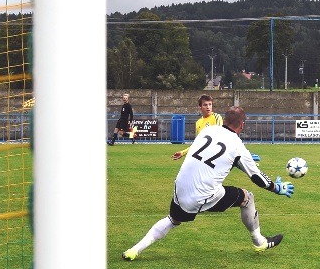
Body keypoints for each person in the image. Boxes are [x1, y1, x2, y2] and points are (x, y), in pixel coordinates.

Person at [121, 106, 293, 261]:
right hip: (202, 195)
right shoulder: (238, 146)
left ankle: (134, 250)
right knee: (247, 198)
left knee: (173, 219)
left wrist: (238, 162)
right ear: (242, 125)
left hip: (180, 187)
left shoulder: (207, 131)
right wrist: (276, 188)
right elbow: (257, 177)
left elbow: (210, 157)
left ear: (224, 120)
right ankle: (259, 242)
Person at [172, 94, 260, 161]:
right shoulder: (198, 122)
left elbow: (222, 136)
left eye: (210, 104)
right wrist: (183, 153)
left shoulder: (216, 117)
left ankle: (245, 159)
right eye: (205, 105)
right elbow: (198, 144)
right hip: (203, 157)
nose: (208, 107)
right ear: (200, 107)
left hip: (215, 155)